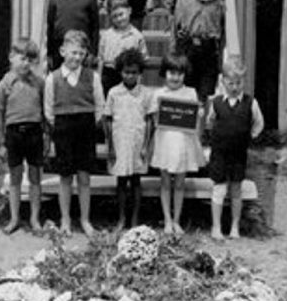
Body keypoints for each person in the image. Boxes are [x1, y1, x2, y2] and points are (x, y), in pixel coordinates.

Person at [44, 29, 104, 235]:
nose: (77, 57)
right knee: (65, 176)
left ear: (85, 55)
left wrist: (88, 123)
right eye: (73, 52)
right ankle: (66, 220)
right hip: (63, 129)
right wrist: (60, 127)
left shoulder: (92, 77)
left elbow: (100, 106)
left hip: (85, 128)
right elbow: (49, 110)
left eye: (81, 53)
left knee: (84, 176)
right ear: (62, 51)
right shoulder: (53, 79)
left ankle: (85, 219)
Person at [207, 55, 264, 240]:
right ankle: (216, 227)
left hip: (238, 154)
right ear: (223, 81)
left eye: (238, 83)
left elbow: (258, 124)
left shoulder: (250, 103)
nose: (234, 87)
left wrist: (250, 137)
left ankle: (234, 227)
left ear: (243, 82)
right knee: (219, 189)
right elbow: (210, 122)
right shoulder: (216, 103)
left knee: (236, 190)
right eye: (230, 83)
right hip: (220, 154)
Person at [0, 37, 46, 235]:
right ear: (11, 57)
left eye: (30, 60)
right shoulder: (4, 84)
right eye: (22, 58)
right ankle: (14, 217)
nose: (26, 63)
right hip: (13, 134)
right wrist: (1, 142)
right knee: (15, 177)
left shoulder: (39, 83)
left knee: (35, 177)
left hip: (34, 132)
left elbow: (44, 111)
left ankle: (34, 218)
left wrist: (46, 136)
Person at [148, 53, 204, 235]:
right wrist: (156, 112)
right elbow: (153, 117)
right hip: (165, 142)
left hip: (183, 143)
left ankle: (177, 220)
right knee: (165, 182)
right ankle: (167, 220)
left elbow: (194, 118)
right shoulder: (158, 94)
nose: (175, 77)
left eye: (179, 73)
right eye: (171, 72)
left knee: (180, 183)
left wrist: (199, 114)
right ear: (165, 74)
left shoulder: (190, 93)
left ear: (185, 75)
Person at [103, 47, 155, 231]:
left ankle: (135, 219)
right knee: (121, 181)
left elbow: (150, 121)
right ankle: (121, 217)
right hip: (120, 141)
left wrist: (145, 146)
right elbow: (107, 119)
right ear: (120, 72)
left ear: (140, 72)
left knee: (136, 181)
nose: (130, 76)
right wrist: (110, 146)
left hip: (137, 141)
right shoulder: (113, 93)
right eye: (126, 72)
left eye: (134, 72)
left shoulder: (147, 94)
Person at [171, 0, 225, 104]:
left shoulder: (219, 2)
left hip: (209, 51)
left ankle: (201, 124)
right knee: (186, 92)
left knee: (205, 94)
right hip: (188, 49)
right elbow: (175, 28)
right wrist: (174, 53)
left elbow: (223, 33)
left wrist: (221, 60)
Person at [97, 0, 148, 95]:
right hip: (109, 74)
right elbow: (100, 59)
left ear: (129, 11)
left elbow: (143, 60)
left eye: (121, 14)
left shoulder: (137, 36)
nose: (119, 19)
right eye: (115, 16)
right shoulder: (106, 35)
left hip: (129, 74)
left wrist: (138, 82)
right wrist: (99, 80)